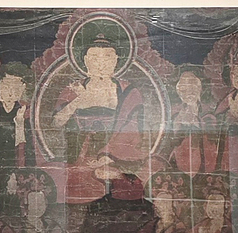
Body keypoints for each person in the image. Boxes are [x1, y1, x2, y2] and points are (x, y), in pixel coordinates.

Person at [51, 27, 153, 205]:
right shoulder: (73, 89)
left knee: (115, 180)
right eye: (94, 58)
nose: (100, 63)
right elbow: (56, 122)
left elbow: (132, 130)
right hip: (78, 155)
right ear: (85, 61)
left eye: (107, 57)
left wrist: (107, 156)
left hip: (116, 155)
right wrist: (78, 101)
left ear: (116, 61)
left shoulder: (129, 91)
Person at [163, 65, 220, 174]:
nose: (189, 92)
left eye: (192, 86)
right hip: (180, 163)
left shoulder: (209, 113)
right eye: (184, 88)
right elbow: (170, 141)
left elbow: (212, 139)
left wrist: (195, 121)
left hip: (204, 164)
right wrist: (179, 123)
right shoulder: (174, 115)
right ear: (179, 92)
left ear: (199, 88)